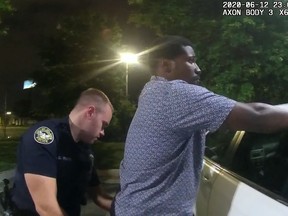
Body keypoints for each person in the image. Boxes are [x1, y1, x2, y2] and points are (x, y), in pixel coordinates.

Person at [111, 35, 288, 215]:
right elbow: (259, 117)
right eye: (191, 61)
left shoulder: (152, 92)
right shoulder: (174, 94)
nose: (198, 69)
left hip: (131, 207)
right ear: (166, 65)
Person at [11, 88, 114, 216]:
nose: (102, 132)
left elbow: (98, 196)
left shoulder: (84, 149)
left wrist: (131, 208)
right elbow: (46, 208)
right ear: (90, 112)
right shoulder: (45, 136)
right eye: (103, 125)